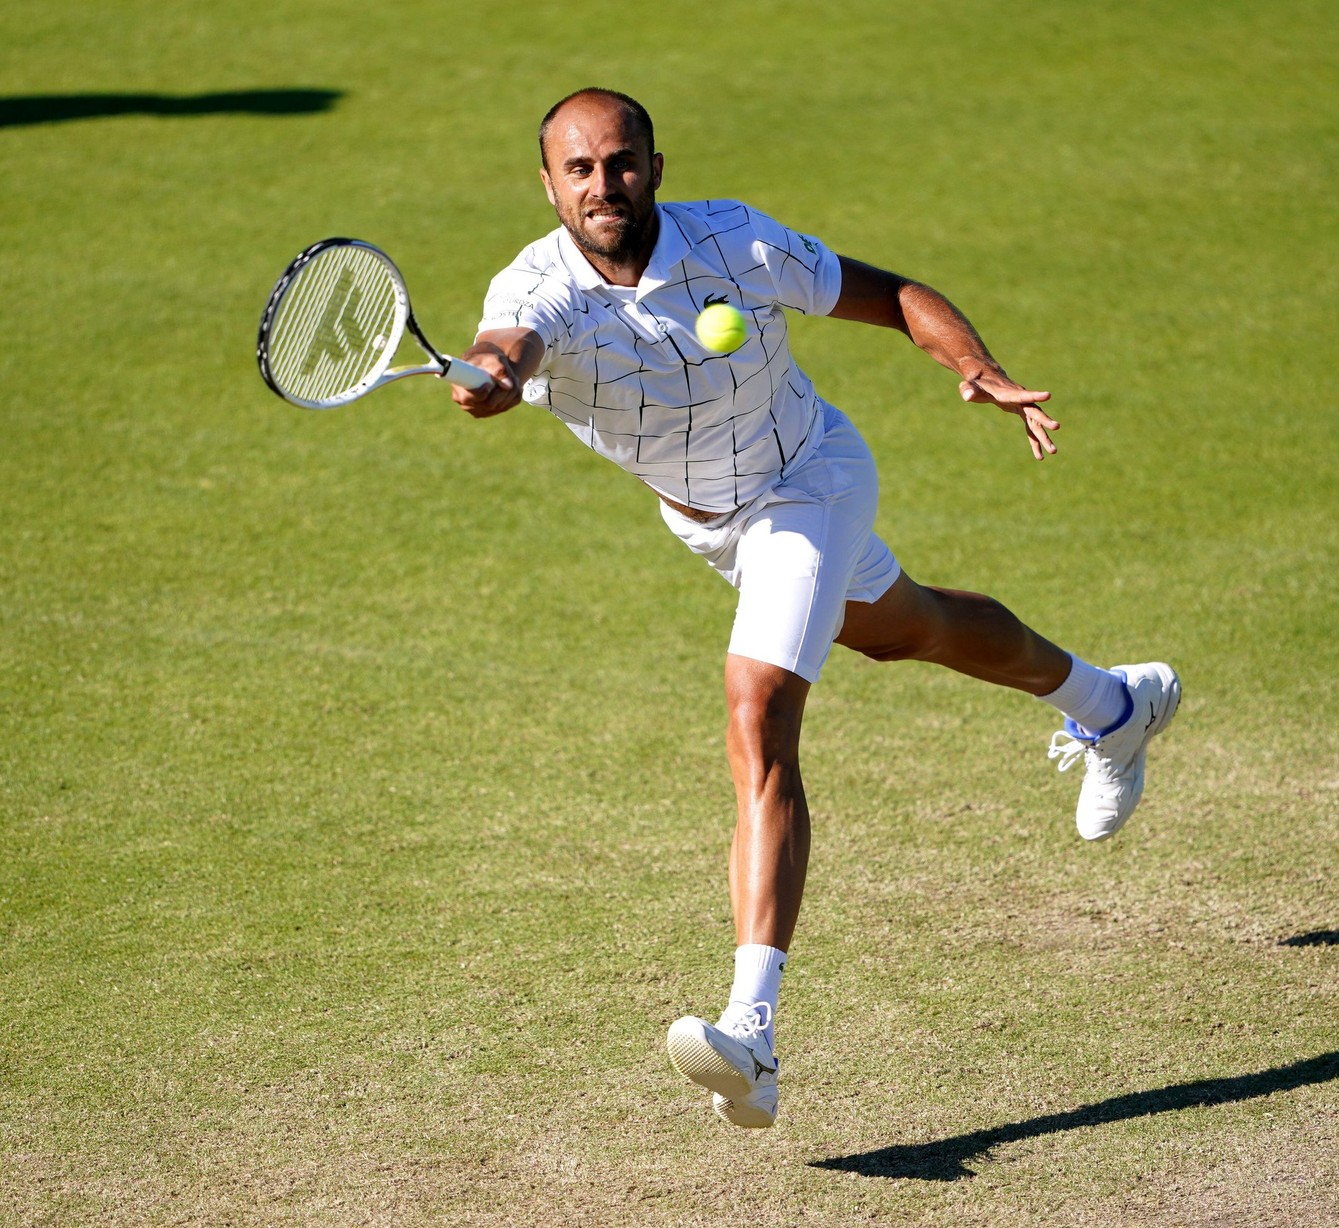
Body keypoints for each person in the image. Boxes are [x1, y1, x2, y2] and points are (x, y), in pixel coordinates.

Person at [452, 87, 1180, 1129]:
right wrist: (486, 379)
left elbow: (894, 295)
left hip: (810, 479)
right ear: (549, 185)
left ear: (656, 167)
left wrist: (975, 366)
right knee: (910, 628)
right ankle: (1116, 705)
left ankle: (751, 1032)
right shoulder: (535, 288)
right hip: (711, 525)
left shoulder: (737, 243)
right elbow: (505, 350)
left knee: (759, 709)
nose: (602, 186)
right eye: (580, 170)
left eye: (621, 163)